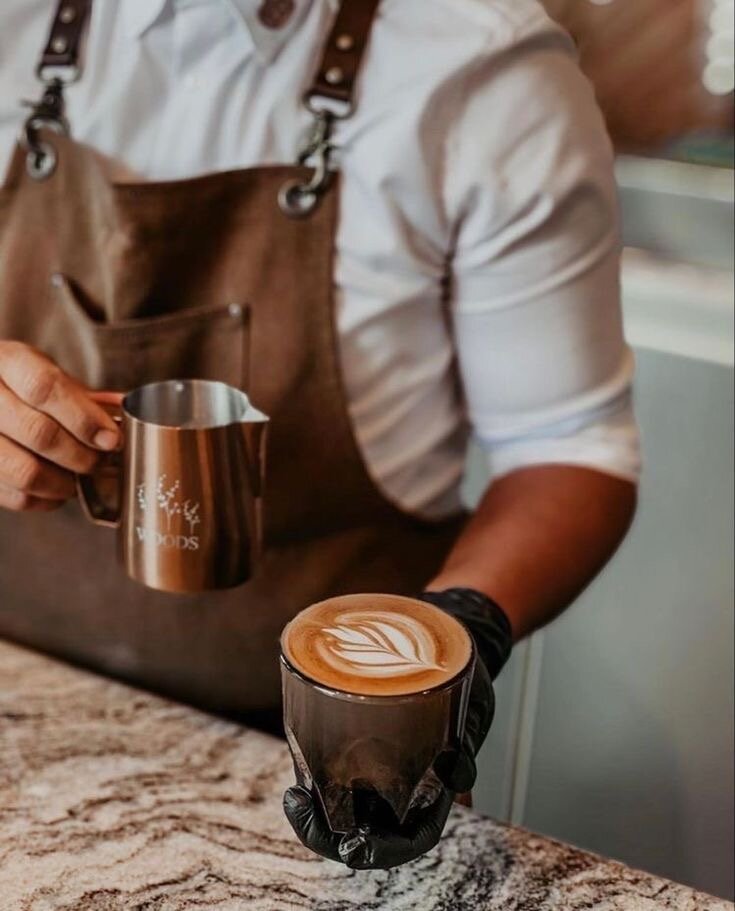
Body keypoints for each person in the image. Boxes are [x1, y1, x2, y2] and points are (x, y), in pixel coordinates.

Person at [0, 0, 639, 869]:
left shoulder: (482, 75)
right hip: (24, 717)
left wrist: (463, 630)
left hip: (326, 768)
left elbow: (569, 447)